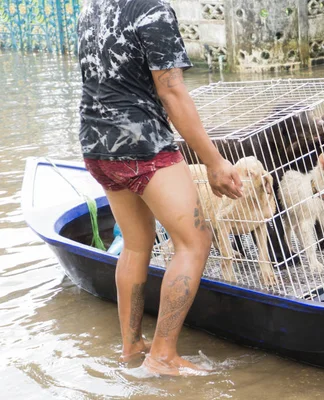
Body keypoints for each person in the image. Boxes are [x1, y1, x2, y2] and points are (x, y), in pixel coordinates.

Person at [77, 0, 243, 376]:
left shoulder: (90, 8)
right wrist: (214, 163)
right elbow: (171, 92)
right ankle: (163, 355)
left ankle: (132, 345)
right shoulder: (152, 9)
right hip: (143, 145)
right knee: (195, 240)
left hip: (97, 145)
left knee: (136, 244)